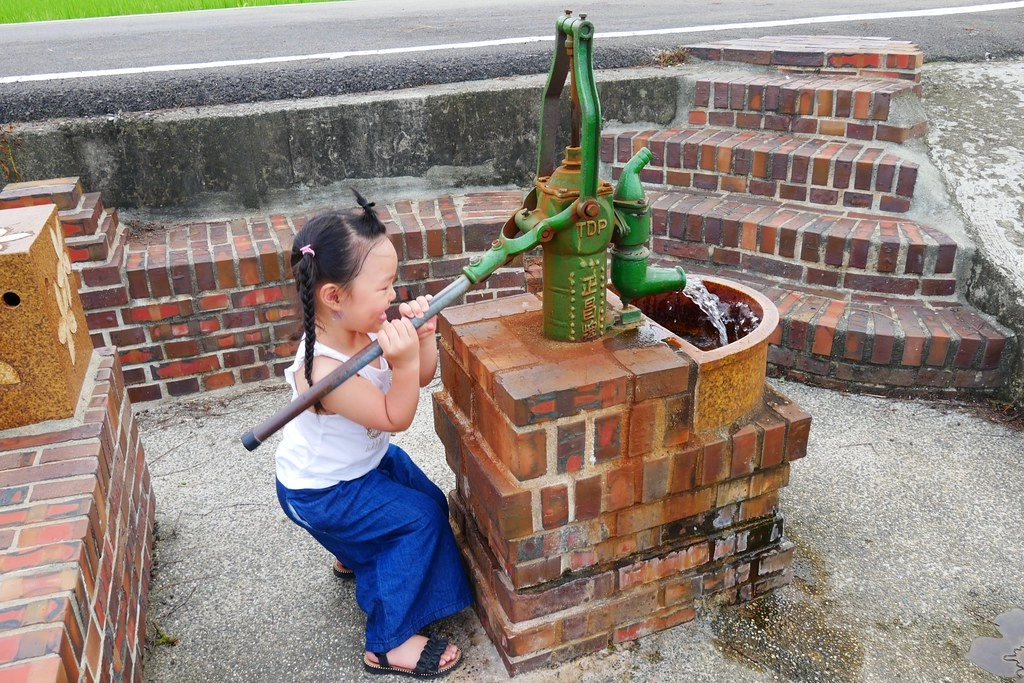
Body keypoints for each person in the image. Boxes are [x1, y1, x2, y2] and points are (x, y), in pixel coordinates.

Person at [274, 191, 471, 679]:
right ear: (335, 297)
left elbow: (421, 378)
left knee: (423, 492)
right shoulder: (321, 373)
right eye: (384, 287)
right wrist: (401, 361)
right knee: (421, 518)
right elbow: (394, 414)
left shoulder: (363, 330)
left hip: (359, 466)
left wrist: (422, 340)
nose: (393, 296)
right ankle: (388, 642)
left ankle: (356, 554)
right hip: (322, 492)